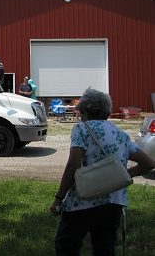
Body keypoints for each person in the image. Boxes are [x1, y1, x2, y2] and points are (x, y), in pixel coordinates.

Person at [50, 87, 155, 255]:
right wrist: (128, 174)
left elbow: (73, 165)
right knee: (104, 248)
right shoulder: (120, 133)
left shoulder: (82, 129)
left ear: (84, 111)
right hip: (114, 200)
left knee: (66, 245)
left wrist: (59, 198)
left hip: (84, 199)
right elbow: (148, 163)